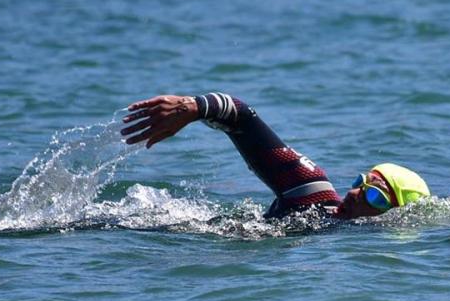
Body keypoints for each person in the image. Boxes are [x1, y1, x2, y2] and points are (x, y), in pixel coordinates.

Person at [121, 92, 431, 219]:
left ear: (396, 217)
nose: (354, 194)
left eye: (375, 198)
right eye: (361, 181)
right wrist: (195, 107)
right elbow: (242, 117)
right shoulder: (314, 193)